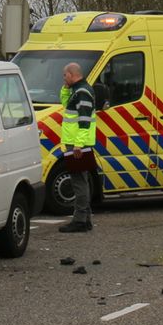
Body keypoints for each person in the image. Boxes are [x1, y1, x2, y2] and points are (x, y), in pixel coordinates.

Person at [58, 62, 96, 233]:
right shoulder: (77, 91)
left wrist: (78, 145)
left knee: (79, 182)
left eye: (65, 75)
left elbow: (84, 120)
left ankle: (80, 220)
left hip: (78, 144)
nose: (63, 78)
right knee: (82, 180)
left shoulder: (82, 93)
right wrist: (66, 88)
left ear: (72, 74)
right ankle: (86, 219)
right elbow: (66, 104)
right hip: (77, 143)